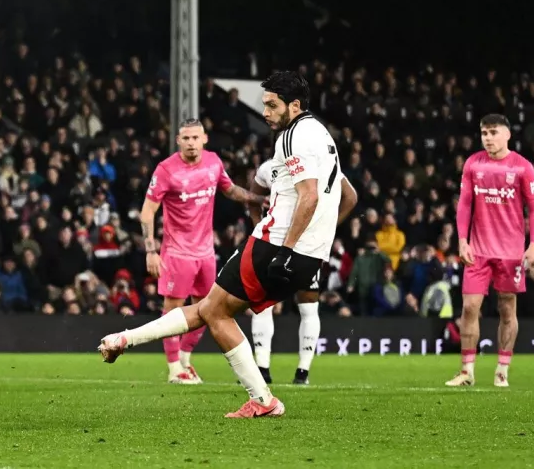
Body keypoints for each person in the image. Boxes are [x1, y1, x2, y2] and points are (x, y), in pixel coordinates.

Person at [100, 71, 342, 418]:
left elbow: (309, 196)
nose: (266, 112)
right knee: (212, 309)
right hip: (311, 255)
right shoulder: (320, 133)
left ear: (295, 106)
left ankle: (261, 399)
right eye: (264, 105)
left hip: (276, 245)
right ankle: (125, 341)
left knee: (212, 310)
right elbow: (338, 195)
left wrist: (285, 249)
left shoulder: (292, 137)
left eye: (272, 105)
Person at [140, 118, 267, 384]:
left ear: (204, 138)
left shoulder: (213, 162)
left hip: (206, 253)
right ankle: (174, 367)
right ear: (178, 141)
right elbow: (147, 211)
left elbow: (230, 190)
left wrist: (256, 199)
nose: (191, 143)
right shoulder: (166, 170)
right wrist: (151, 250)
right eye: (186, 138)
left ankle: (186, 359)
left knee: (209, 308)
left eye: (195, 138)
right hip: (176, 253)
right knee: (173, 310)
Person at [447, 114, 534, 387]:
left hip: (510, 252)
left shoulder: (522, 167)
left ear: (507, 135)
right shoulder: (473, 164)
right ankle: (467, 370)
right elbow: (464, 205)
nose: (487, 138)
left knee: (507, 309)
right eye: (484, 133)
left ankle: (502, 368)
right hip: (478, 250)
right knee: (469, 307)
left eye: (493, 132)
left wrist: (533, 245)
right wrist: (463, 241)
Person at [248, 174, 358, 385]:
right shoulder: (323, 164)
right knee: (306, 308)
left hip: (280, 243)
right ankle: (301, 372)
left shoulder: (272, 166)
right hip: (306, 245)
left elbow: (351, 198)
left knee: (266, 305)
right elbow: (350, 197)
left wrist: (258, 223)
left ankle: (264, 370)